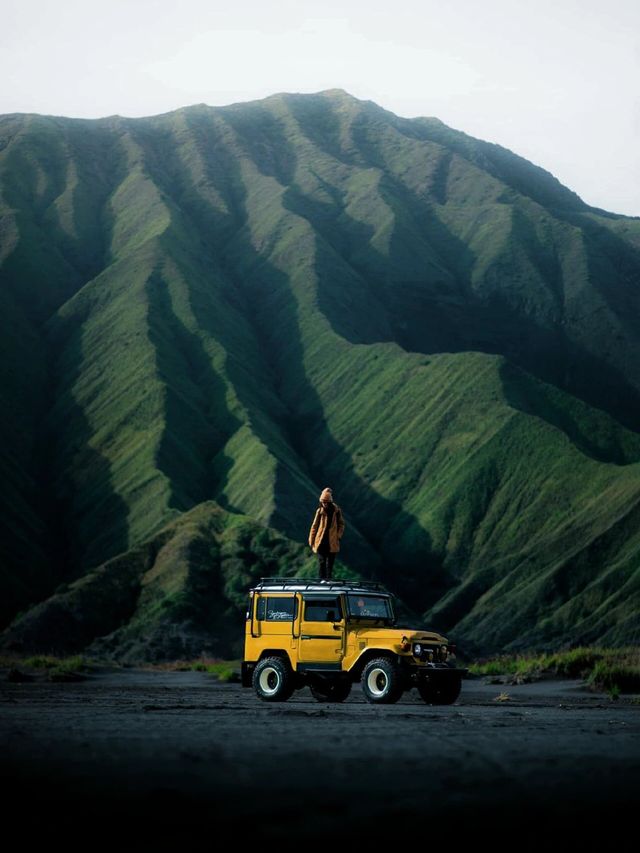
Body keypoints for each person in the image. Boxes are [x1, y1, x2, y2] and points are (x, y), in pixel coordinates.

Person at [308, 487, 345, 580]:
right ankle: (321, 580)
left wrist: (338, 536)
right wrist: (311, 540)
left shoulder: (336, 511)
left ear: (330, 502)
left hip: (332, 541)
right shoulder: (320, 511)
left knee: (330, 563)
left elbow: (341, 524)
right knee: (322, 561)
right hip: (320, 540)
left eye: (326, 502)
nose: (324, 504)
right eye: (322, 502)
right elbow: (314, 526)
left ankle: (328, 580)